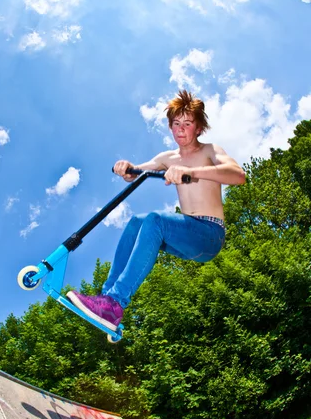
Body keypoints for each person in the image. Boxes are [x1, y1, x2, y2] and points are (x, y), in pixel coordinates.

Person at [67, 90, 246, 332]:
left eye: (187, 123)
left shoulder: (210, 151)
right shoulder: (167, 157)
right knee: (136, 222)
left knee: (155, 220)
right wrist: (126, 168)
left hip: (210, 234)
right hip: (186, 233)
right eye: (176, 123)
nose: (181, 129)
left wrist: (192, 172)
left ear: (199, 128)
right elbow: (137, 171)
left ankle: (116, 302)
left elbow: (237, 175)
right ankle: (106, 300)